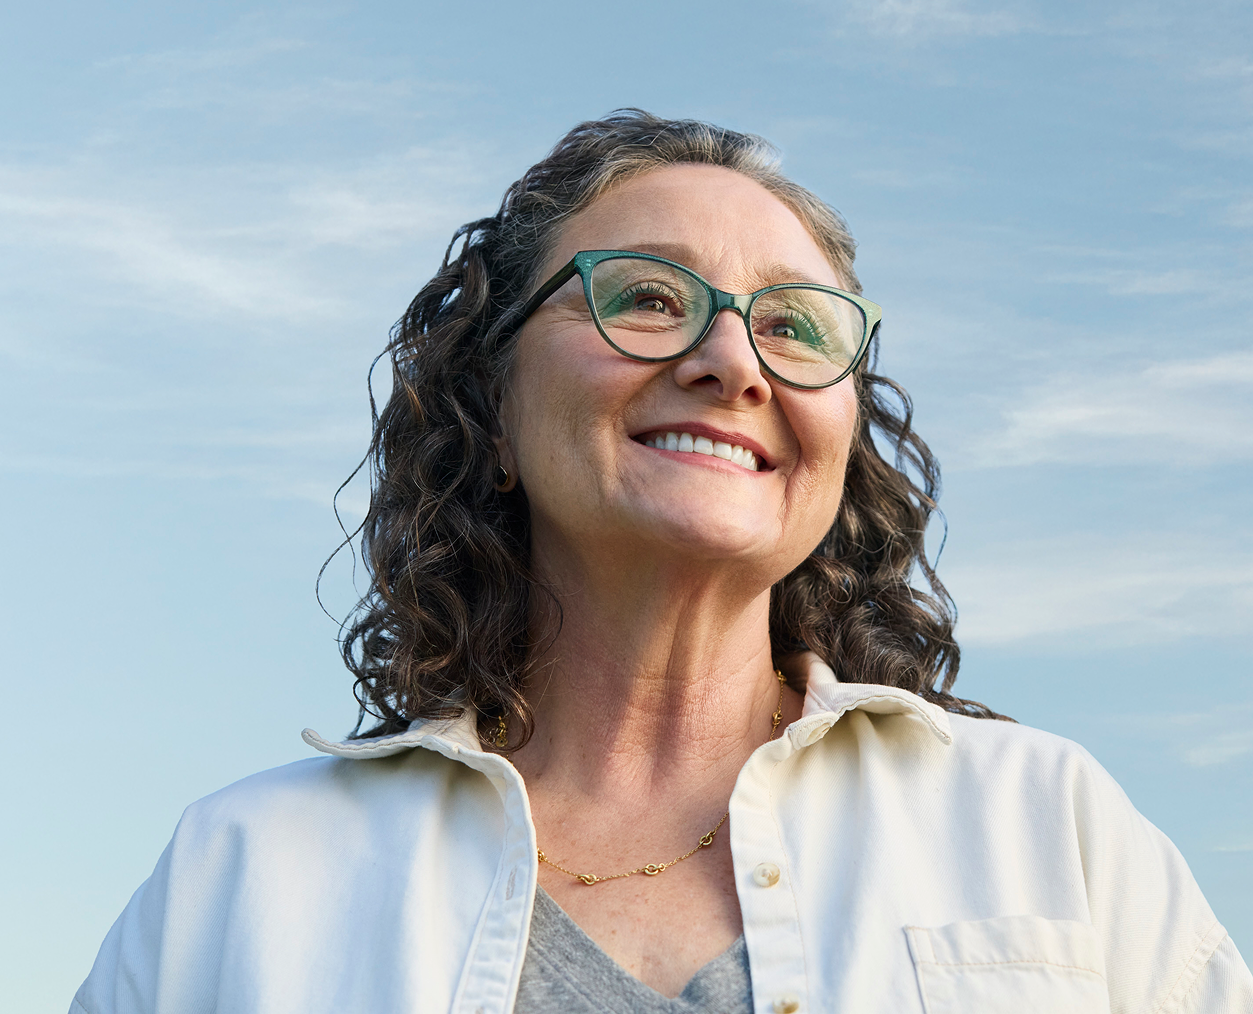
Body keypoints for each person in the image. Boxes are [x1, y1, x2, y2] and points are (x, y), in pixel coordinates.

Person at [71, 110, 1252, 1014]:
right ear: (489, 401)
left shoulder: (1051, 825)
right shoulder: (243, 873)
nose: (732, 360)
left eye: (794, 324)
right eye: (642, 297)